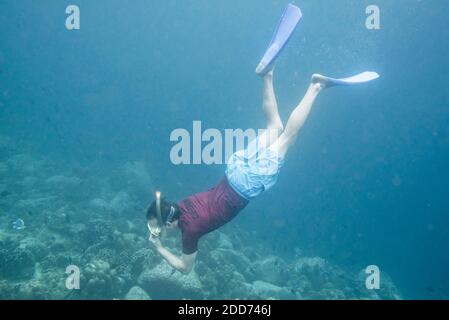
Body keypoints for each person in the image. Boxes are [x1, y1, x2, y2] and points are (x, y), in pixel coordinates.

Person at [146, 68, 377, 274]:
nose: (156, 229)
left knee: (288, 137)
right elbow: (173, 216)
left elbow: (184, 268)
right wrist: (162, 228)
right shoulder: (182, 205)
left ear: (167, 222)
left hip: (246, 183)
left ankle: (316, 87)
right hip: (234, 168)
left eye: (156, 225)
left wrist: (158, 247)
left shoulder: (190, 232)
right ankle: (267, 76)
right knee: (274, 126)